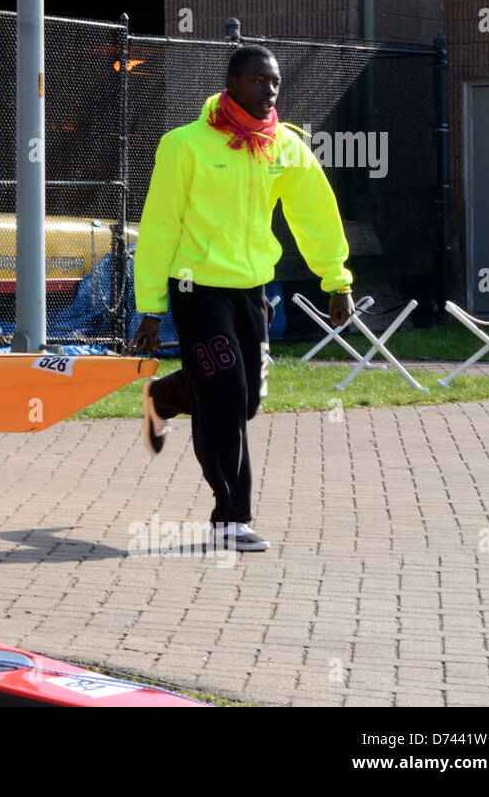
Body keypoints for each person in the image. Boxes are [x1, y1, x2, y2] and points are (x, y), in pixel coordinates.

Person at [130, 45, 356, 552]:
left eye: (274, 82)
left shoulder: (286, 146)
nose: (269, 90)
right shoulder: (184, 144)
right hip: (196, 290)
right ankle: (231, 518)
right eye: (258, 81)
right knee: (227, 397)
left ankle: (167, 395)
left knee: (246, 399)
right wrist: (150, 306)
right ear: (231, 82)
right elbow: (160, 225)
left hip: (252, 290)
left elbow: (315, 215)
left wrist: (336, 280)